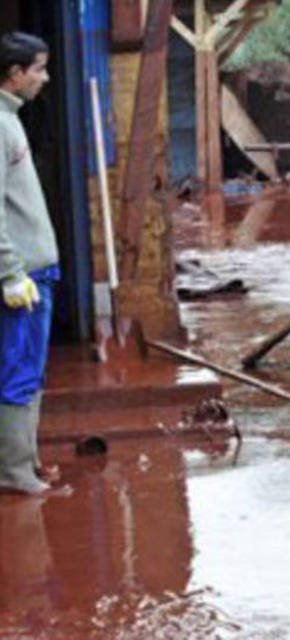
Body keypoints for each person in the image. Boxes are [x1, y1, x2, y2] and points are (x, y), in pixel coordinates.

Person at [0, 32, 59, 494]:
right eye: (38, 68)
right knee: (19, 368)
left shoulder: (12, 119)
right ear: (15, 74)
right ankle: (14, 470)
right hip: (23, 276)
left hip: (38, 271)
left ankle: (28, 461)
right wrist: (10, 273)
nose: (45, 77)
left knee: (31, 366)